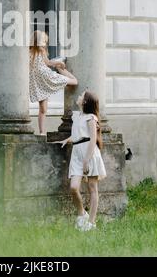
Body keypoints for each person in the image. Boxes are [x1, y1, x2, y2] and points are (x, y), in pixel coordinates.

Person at [56, 90, 106, 231]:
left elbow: (91, 139)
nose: (79, 96)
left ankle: (91, 223)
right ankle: (82, 213)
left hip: (89, 154)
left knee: (92, 188)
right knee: (73, 187)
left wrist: (86, 161)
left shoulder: (91, 118)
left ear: (84, 102)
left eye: (81, 95)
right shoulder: (77, 116)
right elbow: (78, 135)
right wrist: (67, 139)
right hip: (77, 154)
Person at [29, 30, 78, 135]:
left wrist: (58, 63)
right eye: (43, 41)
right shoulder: (29, 52)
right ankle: (42, 132)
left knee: (74, 82)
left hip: (46, 77)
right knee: (43, 109)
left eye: (45, 41)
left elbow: (48, 63)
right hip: (39, 82)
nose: (45, 43)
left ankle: (61, 69)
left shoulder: (41, 51)